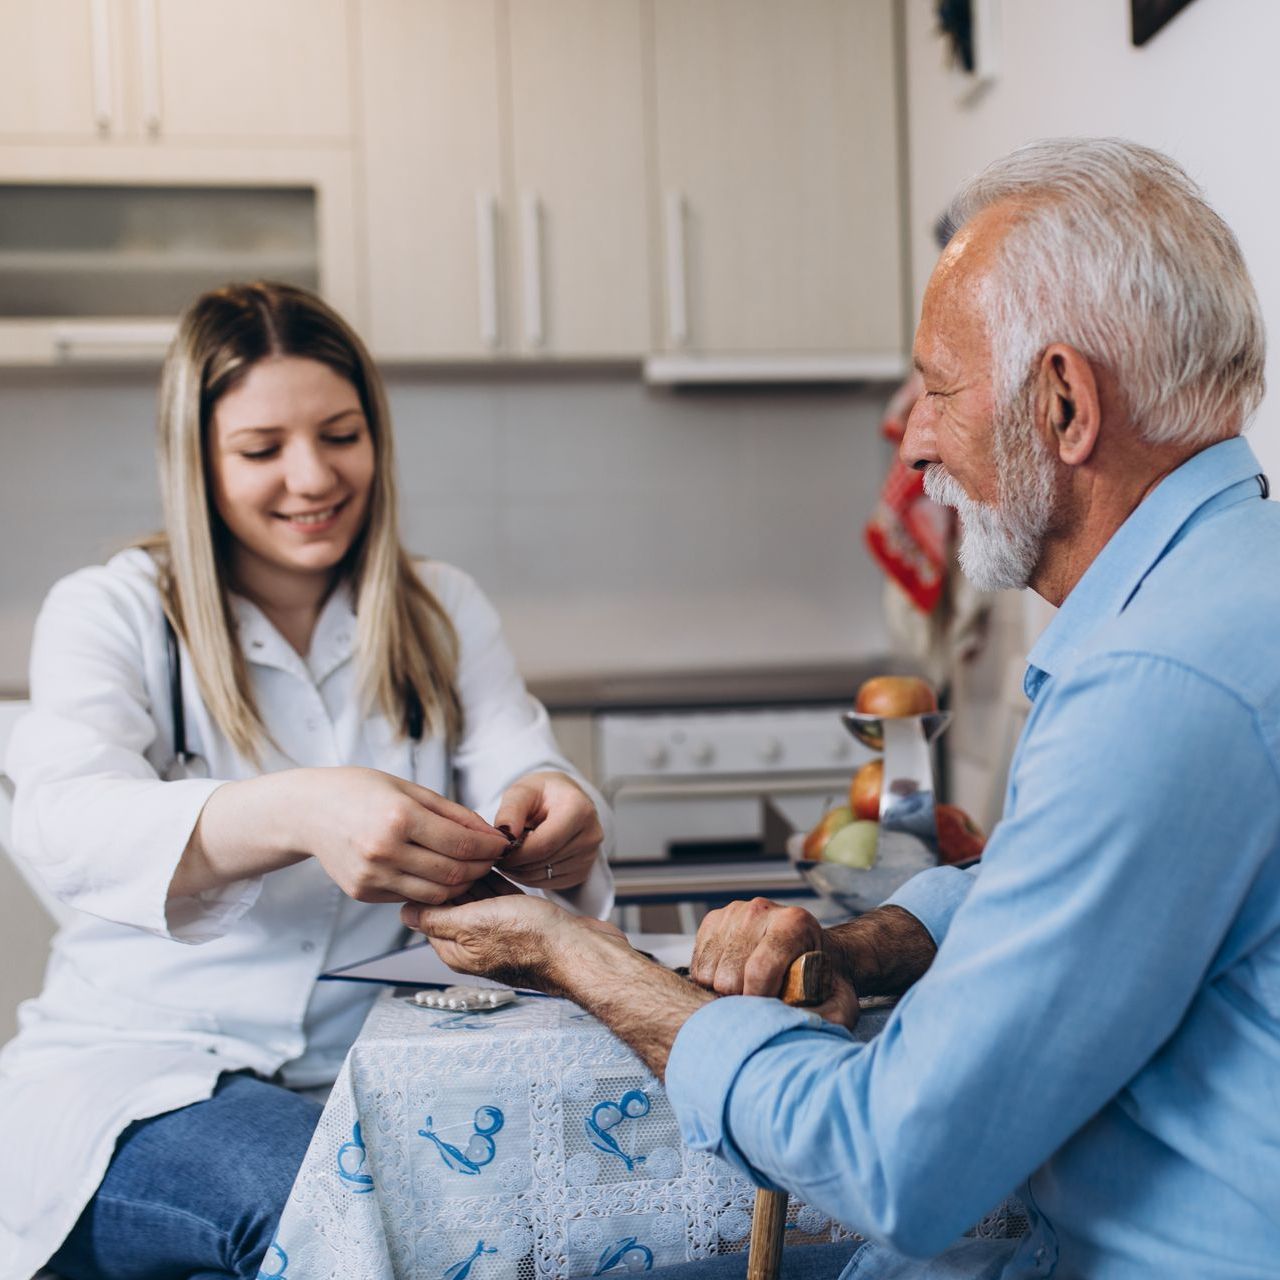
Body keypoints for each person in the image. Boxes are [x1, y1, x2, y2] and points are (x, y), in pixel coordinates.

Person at [400, 138, 1280, 1279]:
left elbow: (894, 1159)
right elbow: (1072, 888)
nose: (913, 442)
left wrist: (580, 957)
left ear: (1062, 401)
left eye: (937, 388)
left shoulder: (1161, 679)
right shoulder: (1223, 586)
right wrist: (869, 940)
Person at [0, 281, 614, 1280]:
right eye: (260, 449)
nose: (312, 476)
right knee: (330, 1205)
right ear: (196, 460)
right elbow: (63, 819)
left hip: (369, 1071)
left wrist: (557, 810)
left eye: (340, 434)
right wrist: (296, 807)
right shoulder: (110, 612)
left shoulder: (439, 607)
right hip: (144, 1074)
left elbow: (519, 757)